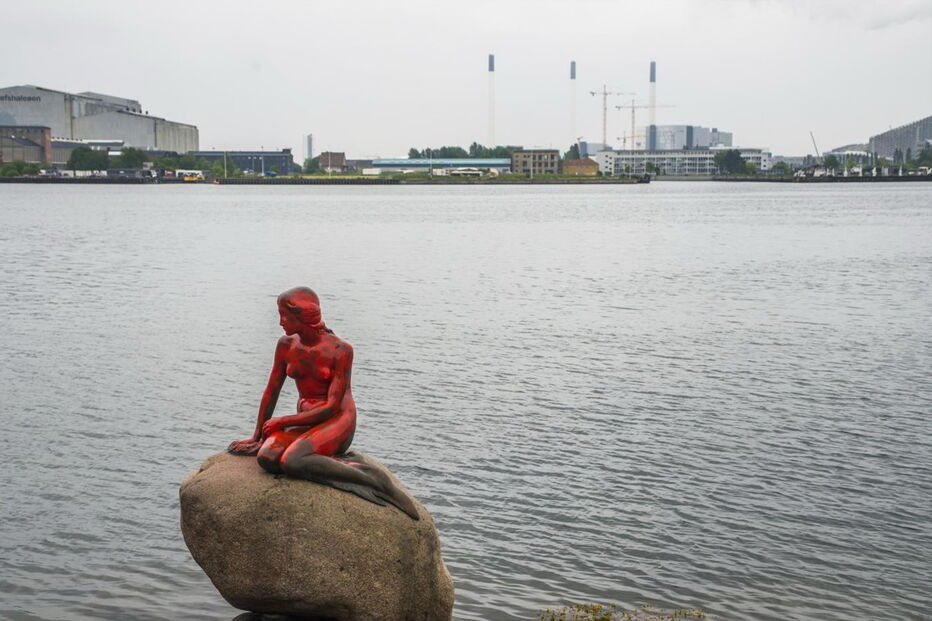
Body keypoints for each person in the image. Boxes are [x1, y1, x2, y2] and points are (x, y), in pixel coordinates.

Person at [229, 287, 418, 519]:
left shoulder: (340, 350)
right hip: (306, 421)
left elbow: (331, 406)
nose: (280, 322)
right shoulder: (286, 345)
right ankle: (323, 460)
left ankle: (374, 479)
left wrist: (283, 421)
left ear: (303, 316)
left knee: (292, 461)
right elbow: (272, 390)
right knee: (267, 457)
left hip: (337, 419)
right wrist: (257, 436)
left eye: (285, 315)